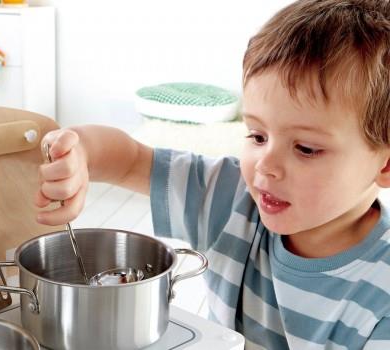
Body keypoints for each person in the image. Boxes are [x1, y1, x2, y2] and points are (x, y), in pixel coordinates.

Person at [34, 0, 390, 348]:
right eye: (257, 135)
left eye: (306, 149)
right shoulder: (231, 196)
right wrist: (79, 152)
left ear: (385, 165)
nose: (266, 164)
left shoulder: (381, 297)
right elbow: (129, 160)